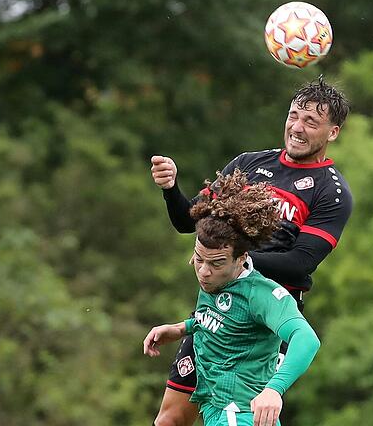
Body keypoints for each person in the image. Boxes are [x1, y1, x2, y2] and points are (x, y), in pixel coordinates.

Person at [149, 76, 352, 425]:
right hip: (216, 311)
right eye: (293, 116)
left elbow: (299, 264)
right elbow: (189, 221)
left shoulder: (331, 192)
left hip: (264, 321)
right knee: (170, 420)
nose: (297, 128)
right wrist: (171, 188)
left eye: (311, 121)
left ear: (332, 132)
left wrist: (236, 261)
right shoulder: (249, 163)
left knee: (244, 417)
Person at [143, 170, 321, 426]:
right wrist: (182, 328)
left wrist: (274, 389)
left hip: (238, 415)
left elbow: (307, 340)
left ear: (242, 258)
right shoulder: (216, 277)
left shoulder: (261, 294)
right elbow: (223, 317)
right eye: (199, 259)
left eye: (215, 263)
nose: (204, 271)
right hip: (218, 412)